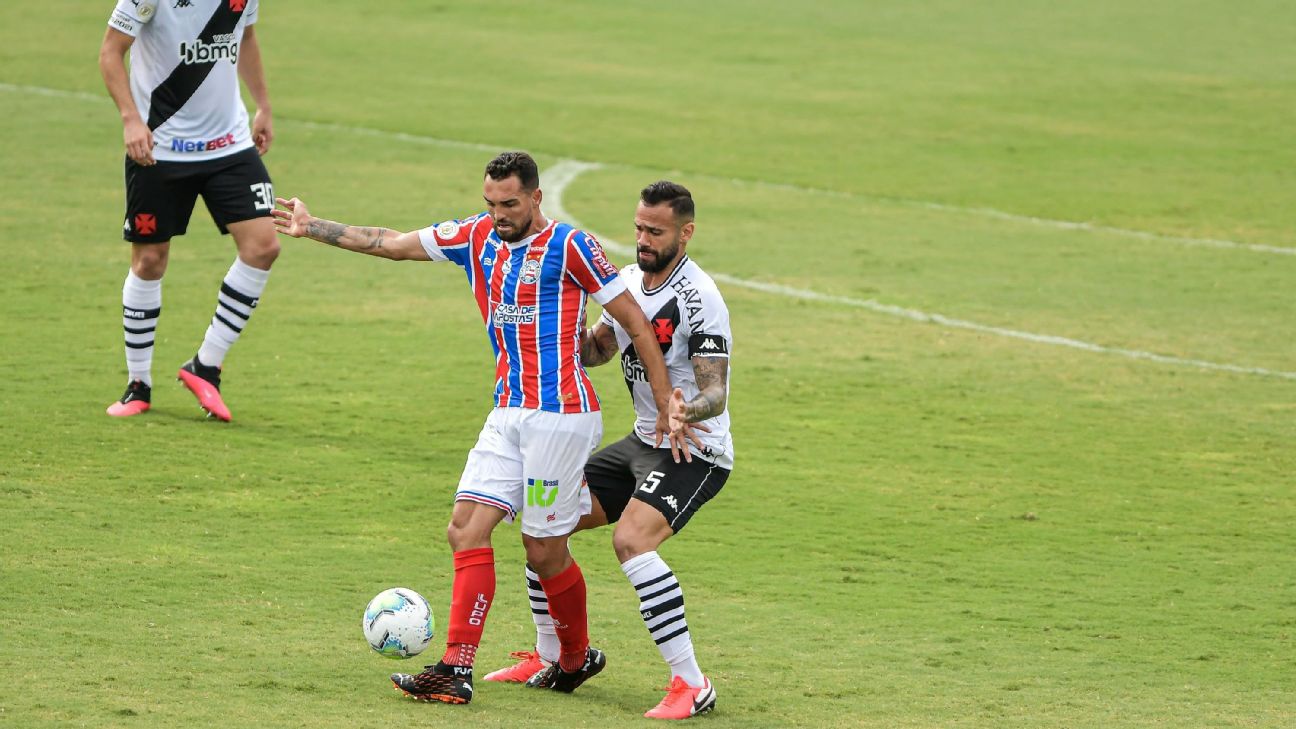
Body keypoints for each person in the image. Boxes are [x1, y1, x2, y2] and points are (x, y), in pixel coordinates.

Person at [271, 152, 684, 705]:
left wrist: (663, 401)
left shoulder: (572, 247)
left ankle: (575, 656)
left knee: (543, 551)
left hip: (560, 420)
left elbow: (633, 320)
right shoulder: (473, 235)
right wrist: (311, 226)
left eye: (510, 204)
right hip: (507, 412)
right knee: (465, 528)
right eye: (491, 203)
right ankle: (454, 669)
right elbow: (389, 242)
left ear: (535, 198)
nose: (498, 214)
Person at [485, 181, 733, 720]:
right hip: (641, 444)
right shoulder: (626, 282)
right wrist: (564, 323)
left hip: (694, 452)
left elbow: (716, 392)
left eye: (656, 232)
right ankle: (549, 656)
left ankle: (692, 683)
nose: (642, 239)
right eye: (639, 227)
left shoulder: (699, 298)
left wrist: (683, 410)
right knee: (544, 526)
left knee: (631, 542)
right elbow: (598, 350)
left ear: (685, 233)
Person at [99, 0, 280, 422]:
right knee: (148, 260)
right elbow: (110, 51)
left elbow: (246, 37)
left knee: (264, 245)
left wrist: (263, 104)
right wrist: (130, 118)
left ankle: (206, 365)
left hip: (230, 146)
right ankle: (138, 384)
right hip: (159, 147)